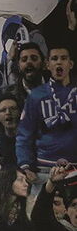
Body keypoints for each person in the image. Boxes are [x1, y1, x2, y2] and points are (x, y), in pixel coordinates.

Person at [16, 44, 77, 181]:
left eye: (63, 58)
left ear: (71, 64)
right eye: (54, 59)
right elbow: (24, 134)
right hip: (44, 169)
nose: (59, 62)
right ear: (47, 65)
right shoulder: (36, 96)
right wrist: (25, 166)